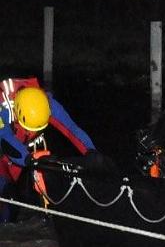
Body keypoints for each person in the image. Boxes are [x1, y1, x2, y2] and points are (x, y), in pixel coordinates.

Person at [0, 78, 95, 221]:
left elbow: (71, 128)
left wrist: (91, 151)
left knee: (27, 193)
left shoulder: (46, 104)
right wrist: (28, 158)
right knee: (6, 195)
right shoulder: (3, 108)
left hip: (23, 149)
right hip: (7, 148)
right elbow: (5, 138)